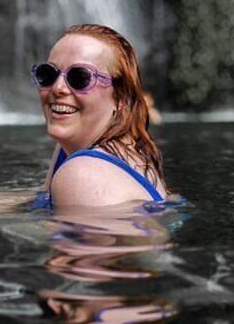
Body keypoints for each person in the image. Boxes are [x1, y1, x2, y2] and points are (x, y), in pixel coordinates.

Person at [32, 24, 167, 208]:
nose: (58, 88)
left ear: (120, 97)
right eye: (48, 74)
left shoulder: (82, 175)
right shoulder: (78, 147)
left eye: (80, 78)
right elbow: (41, 198)